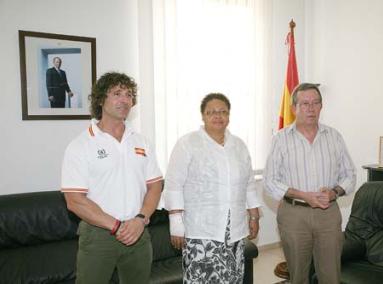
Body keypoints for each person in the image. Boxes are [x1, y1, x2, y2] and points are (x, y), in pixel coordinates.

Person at [61, 72, 163, 283]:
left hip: (138, 232)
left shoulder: (142, 142)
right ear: (100, 99)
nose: (124, 99)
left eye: (128, 94)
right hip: (99, 236)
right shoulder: (81, 145)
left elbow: (155, 186)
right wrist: (116, 226)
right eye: (117, 93)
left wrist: (141, 219)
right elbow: (74, 201)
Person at [264, 83, 356, 284]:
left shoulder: (334, 137)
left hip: (328, 214)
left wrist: (334, 192)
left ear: (321, 106)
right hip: (293, 215)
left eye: (315, 103)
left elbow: (350, 175)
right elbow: (270, 182)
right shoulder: (280, 139)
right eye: (305, 103)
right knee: (297, 276)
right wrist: (303, 195)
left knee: (331, 276)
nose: (311, 108)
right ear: (294, 108)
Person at [163, 93, 261, 283]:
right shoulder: (188, 143)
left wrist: (254, 216)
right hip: (201, 230)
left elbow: (249, 184)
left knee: (232, 278)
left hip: (234, 230)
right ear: (203, 116)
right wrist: (176, 223)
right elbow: (174, 184)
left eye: (223, 111)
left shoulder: (239, 145)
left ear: (229, 115)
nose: (218, 116)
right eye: (211, 112)